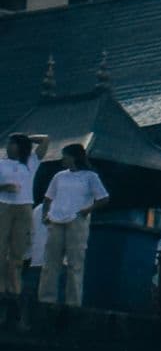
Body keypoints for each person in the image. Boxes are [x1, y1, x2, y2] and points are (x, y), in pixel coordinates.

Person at [38, 142, 108, 315]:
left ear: (74, 157)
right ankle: (46, 299)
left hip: (77, 219)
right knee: (50, 262)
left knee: (75, 263)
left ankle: (73, 303)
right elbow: (48, 198)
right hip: (57, 219)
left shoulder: (90, 177)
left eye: (66, 156)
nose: (63, 159)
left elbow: (103, 198)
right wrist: (45, 215)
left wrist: (87, 210)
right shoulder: (59, 176)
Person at [0, 132, 34, 324]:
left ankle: (15, 288)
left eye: (13, 144)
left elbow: (45, 140)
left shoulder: (30, 163)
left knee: (17, 252)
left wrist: (28, 139)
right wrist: (4, 187)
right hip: (3, 204)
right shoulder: (1, 163)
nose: (9, 147)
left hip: (24, 205)